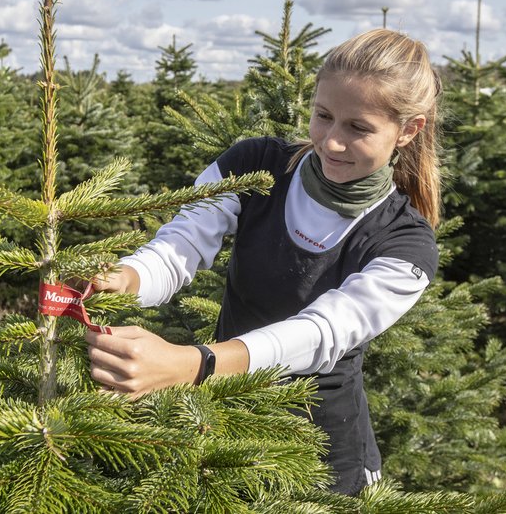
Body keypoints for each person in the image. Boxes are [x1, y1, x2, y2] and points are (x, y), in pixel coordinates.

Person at [85, 28, 441, 495]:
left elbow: (317, 334)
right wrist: (122, 277)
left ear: (408, 130)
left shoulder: (405, 244)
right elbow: (181, 245)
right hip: (225, 426)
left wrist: (193, 365)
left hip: (323, 454)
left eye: (358, 128)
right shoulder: (256, 165)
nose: (331, 142)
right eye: (323, 116)